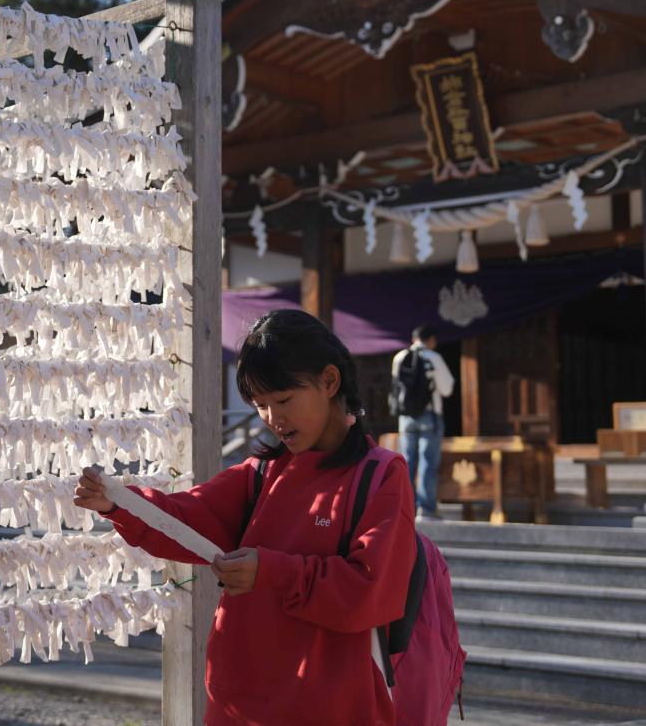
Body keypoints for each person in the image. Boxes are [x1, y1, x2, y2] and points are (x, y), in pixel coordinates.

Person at [75, 309, 416, 726]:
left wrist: (270, 572)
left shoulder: (381, 474)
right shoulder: (260, 477)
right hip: (239, 703)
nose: (274, 418)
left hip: (329, 705)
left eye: (284, 400)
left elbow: (369, 592)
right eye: (260, 406)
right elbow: (184, 518)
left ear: (329, 382)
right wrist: (119, 503)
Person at [392, 324, 455, 521]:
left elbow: (396, 387)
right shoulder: (433, 358)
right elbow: (446, 389)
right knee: (428, 461)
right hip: (429, 414)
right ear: (431, 340)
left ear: (413, 338)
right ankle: (426, 510)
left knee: (407, 461)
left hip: (406, 417)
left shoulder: (399, 357)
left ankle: (405, 508)